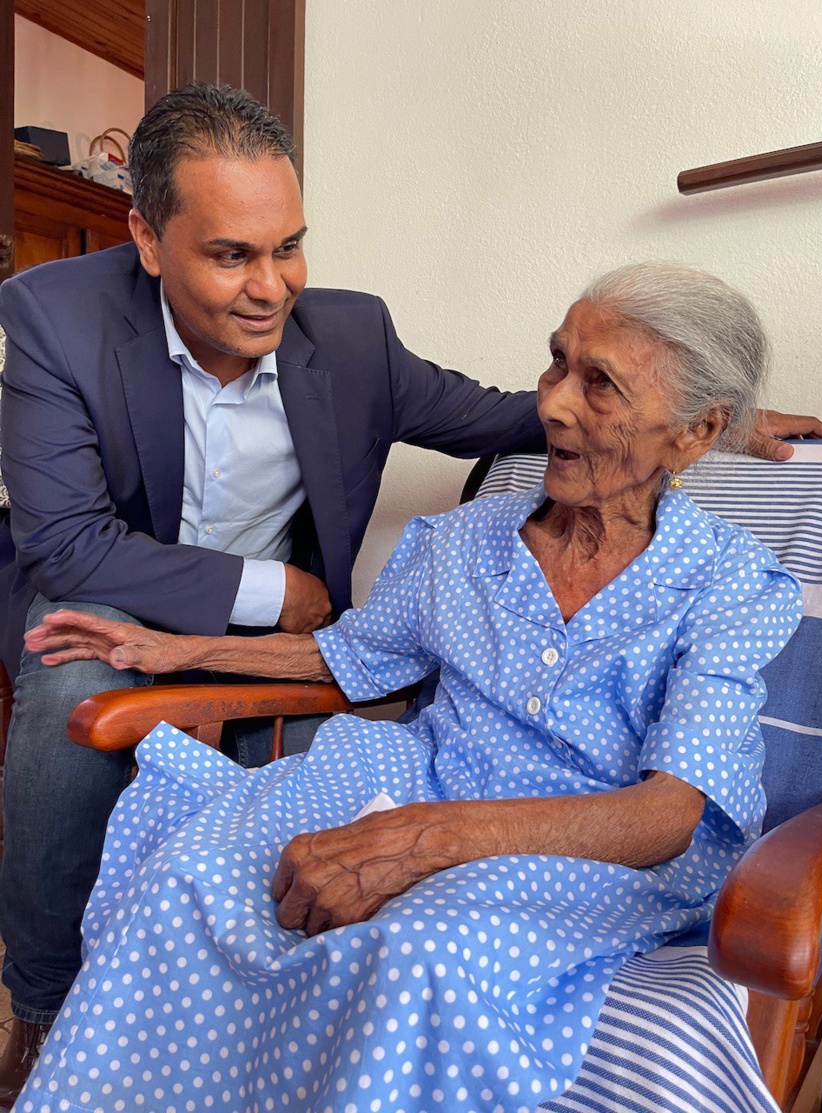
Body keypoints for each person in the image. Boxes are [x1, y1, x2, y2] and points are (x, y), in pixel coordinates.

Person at [16, 263, 803, 1113]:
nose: (553, 405)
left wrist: (423, 839)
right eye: (556, 363)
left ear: (697, 433)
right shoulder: (462, 540)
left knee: (415, 953)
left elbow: (666, 815)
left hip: (588, 843)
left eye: (601, 384)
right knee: (193, 871)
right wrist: (173, 648)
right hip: (425, 773)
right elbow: (351, 656)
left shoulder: (731, 584)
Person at [0, 82, 558, 1102]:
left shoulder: (352, 338)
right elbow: (67, 543)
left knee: (329, 792)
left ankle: (233, 1023)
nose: (272, 286)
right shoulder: (52, 316)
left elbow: (505, 417)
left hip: (270, 650)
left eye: (288, 245)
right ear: (148, 237)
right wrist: (278, 591)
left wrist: (694, 412)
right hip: (111, 592)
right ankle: (41, 1006)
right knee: (68, 681)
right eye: (231, 255)